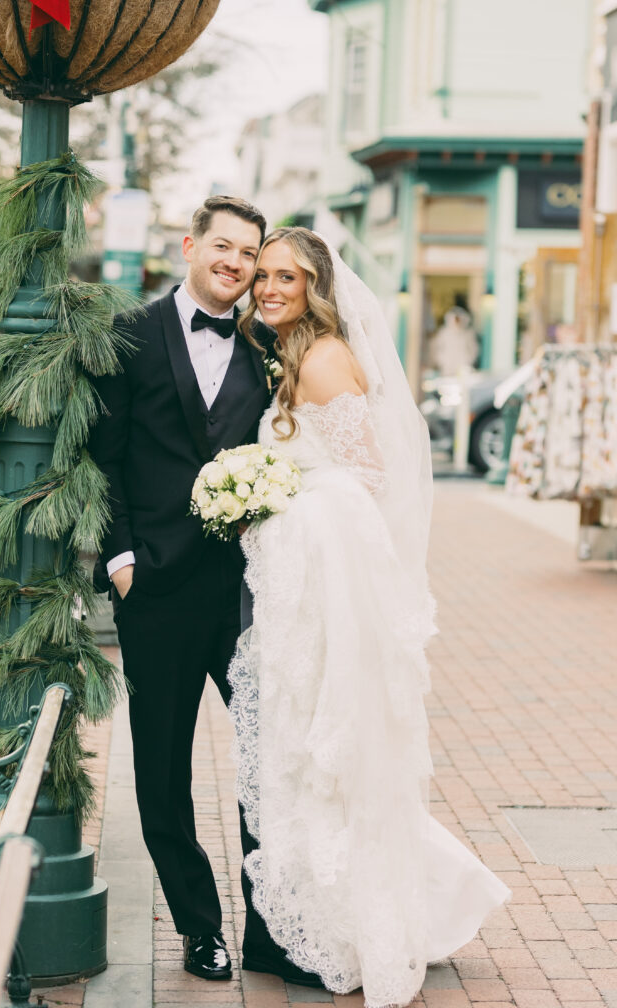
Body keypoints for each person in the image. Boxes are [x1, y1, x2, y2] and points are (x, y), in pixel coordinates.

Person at [229, 228, 511, 1004]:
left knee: (326, 740)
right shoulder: (291, 354)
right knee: (308, 739)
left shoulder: (319, 358)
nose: (270, 288)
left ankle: (355, 922)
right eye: (264, 276)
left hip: (326, 573)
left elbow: (366, 473)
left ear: (316, 284)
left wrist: (277, 494)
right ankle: (342, 909)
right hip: (302, 567)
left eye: (287, 277)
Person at [89, 196, 313, 986]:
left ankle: (270, 933)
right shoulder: (130, 335)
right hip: (154, 589)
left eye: (248, 254)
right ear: (189, 245)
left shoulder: (267, 348)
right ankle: (199, 929)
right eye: (223, 246)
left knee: (265, 763)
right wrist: (120, 561)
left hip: (247, 594)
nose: (235, 263)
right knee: (161, 773)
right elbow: (103, 456)